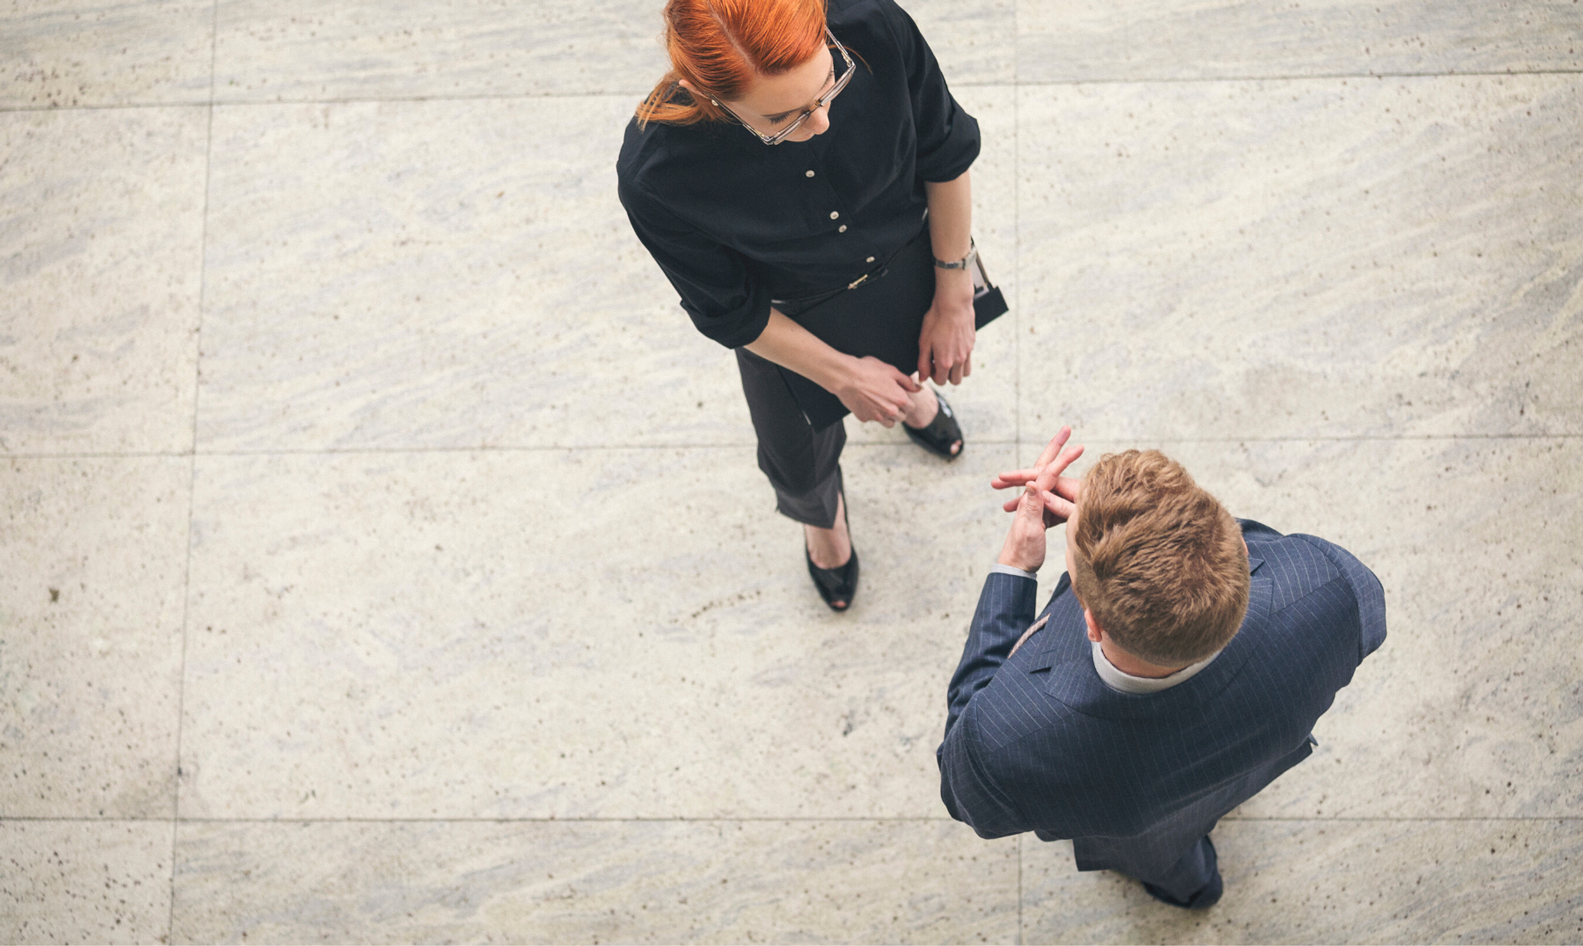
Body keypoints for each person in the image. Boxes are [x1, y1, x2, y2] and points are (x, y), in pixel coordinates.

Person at [617, 0, 987, 612]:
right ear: (704, 91)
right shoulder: (658, 176)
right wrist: (843, 375)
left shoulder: (873, 26)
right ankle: (825, 524)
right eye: (781, 118)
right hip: (789, 316)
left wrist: (953, 294)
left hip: (907, 259)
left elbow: (944, 153)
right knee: (795, 461)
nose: (821, 122)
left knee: (920, 351)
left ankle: (910, 392)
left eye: (829, 86)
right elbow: (731, 312)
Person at [937, 428, 1386, 908]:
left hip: (1142, 829)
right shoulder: (1326, 586)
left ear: (1090, 621)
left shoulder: (1008, 741)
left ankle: (1196, 892)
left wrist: (1015, 567)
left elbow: (963, 785)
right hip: (1253, 759)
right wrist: (1132, 522)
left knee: (1168, 861)